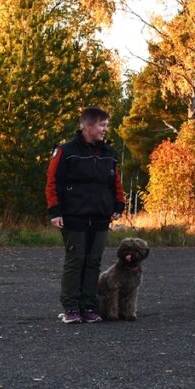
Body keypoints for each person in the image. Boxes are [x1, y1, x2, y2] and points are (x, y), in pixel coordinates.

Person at [46, 107, 126, 324]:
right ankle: (71, 307)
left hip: (100, 216)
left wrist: (119, 203)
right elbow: (53, 181)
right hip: (74, 215)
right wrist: (55, 210)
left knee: (93, 261)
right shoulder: (66, 151)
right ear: (87, 126)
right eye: (102, 125)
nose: (105, 130)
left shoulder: (109, 153)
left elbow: (114, 181)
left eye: (105, 125)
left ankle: (88, 306)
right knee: (76, 260)